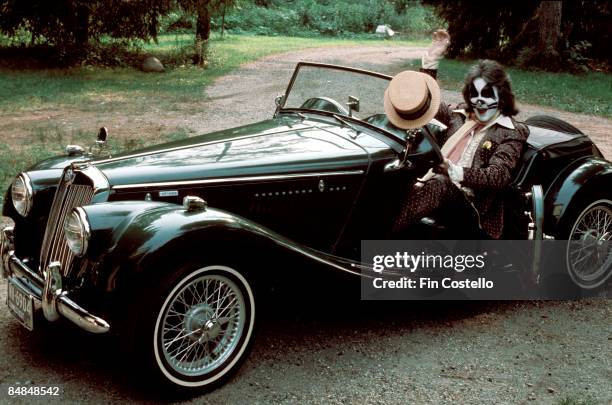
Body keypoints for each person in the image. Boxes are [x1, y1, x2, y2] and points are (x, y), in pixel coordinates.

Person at [386, 30, 529, 239]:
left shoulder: (510, 131)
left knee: (441, 183)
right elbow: (426, 105)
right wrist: (431, 61)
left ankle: (382, 238)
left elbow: (498, 176)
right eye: (475, 94)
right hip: (434, 186)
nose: (480, 100)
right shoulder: (461, 115)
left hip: (474, 206)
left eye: (488, 94)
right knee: (390, 173)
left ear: (502, 96)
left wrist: (454, 171)